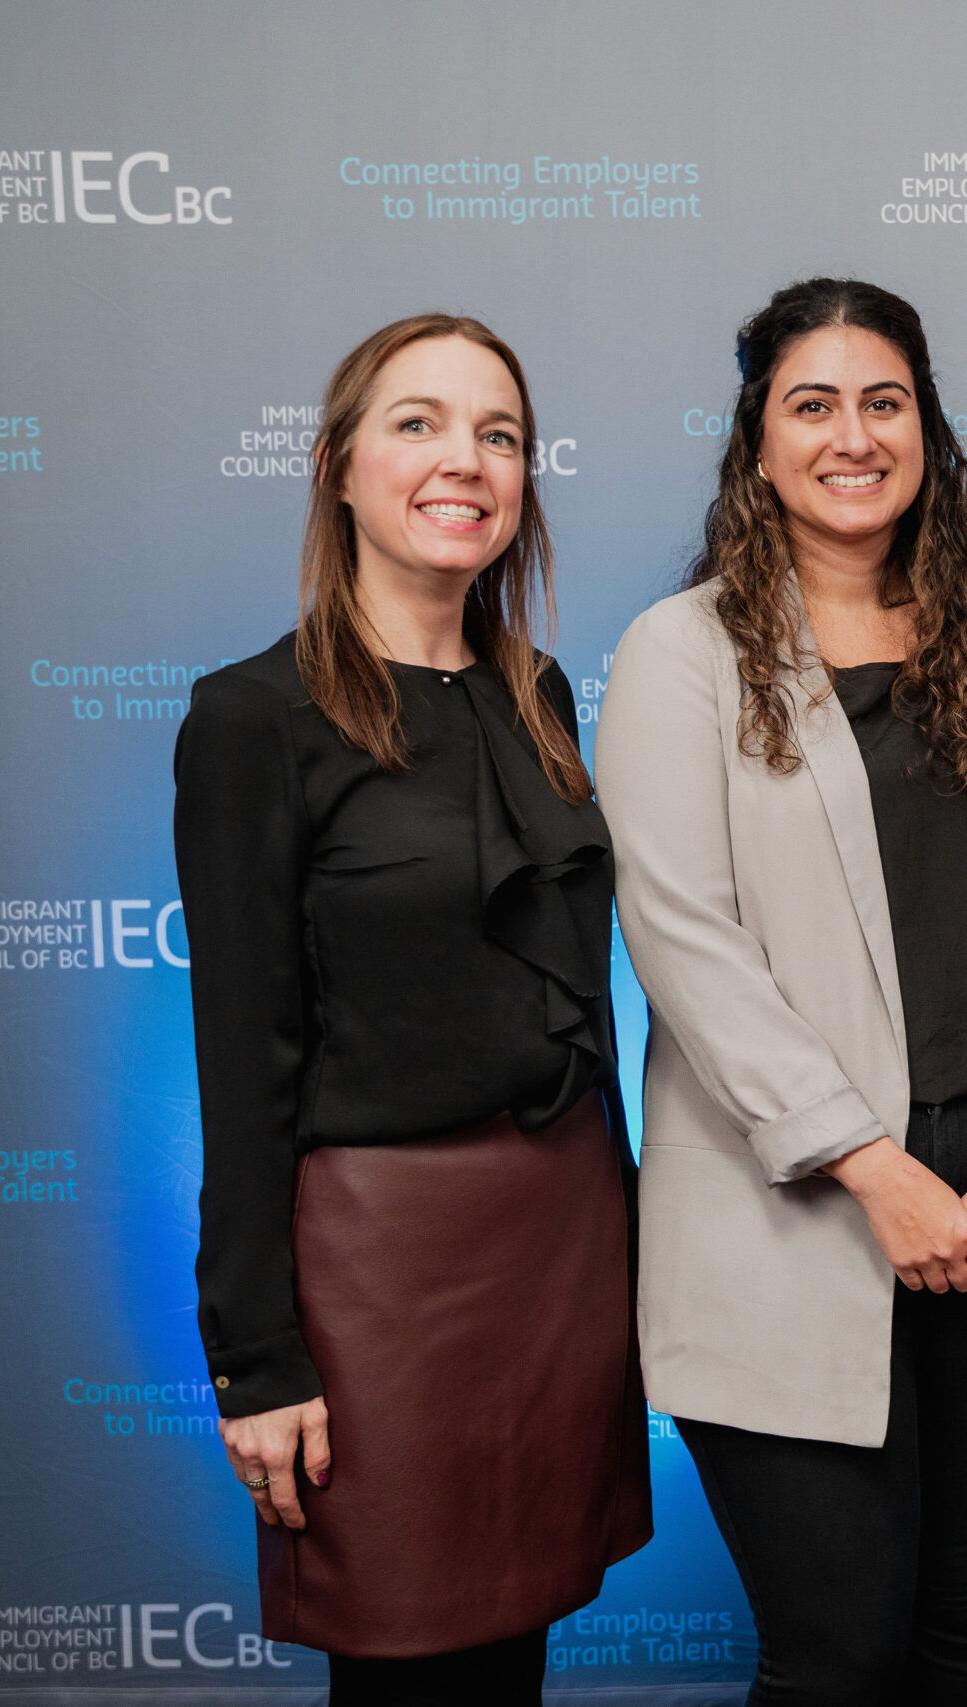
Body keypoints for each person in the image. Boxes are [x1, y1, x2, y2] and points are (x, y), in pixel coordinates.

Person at [598, 277, 967, 1705]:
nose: (852, 436)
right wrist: (871, 1169)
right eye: (812, 405)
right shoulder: (683, 655)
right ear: (757, 441)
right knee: (839, 1656)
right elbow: (684, 942)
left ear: (927, 430)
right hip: (795, 1207)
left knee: (962, 1637)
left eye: (884, 403)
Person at [175, 313, 650, 1704]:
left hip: (562, 1240)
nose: (465, 460)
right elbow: (242, 1060)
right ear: (339, 467)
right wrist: (255, 1358)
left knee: (517, 1657)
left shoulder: (537, 694)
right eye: (419, 423)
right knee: (406, 1670)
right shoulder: (253, 718)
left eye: (498, 434)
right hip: (381, 1270)